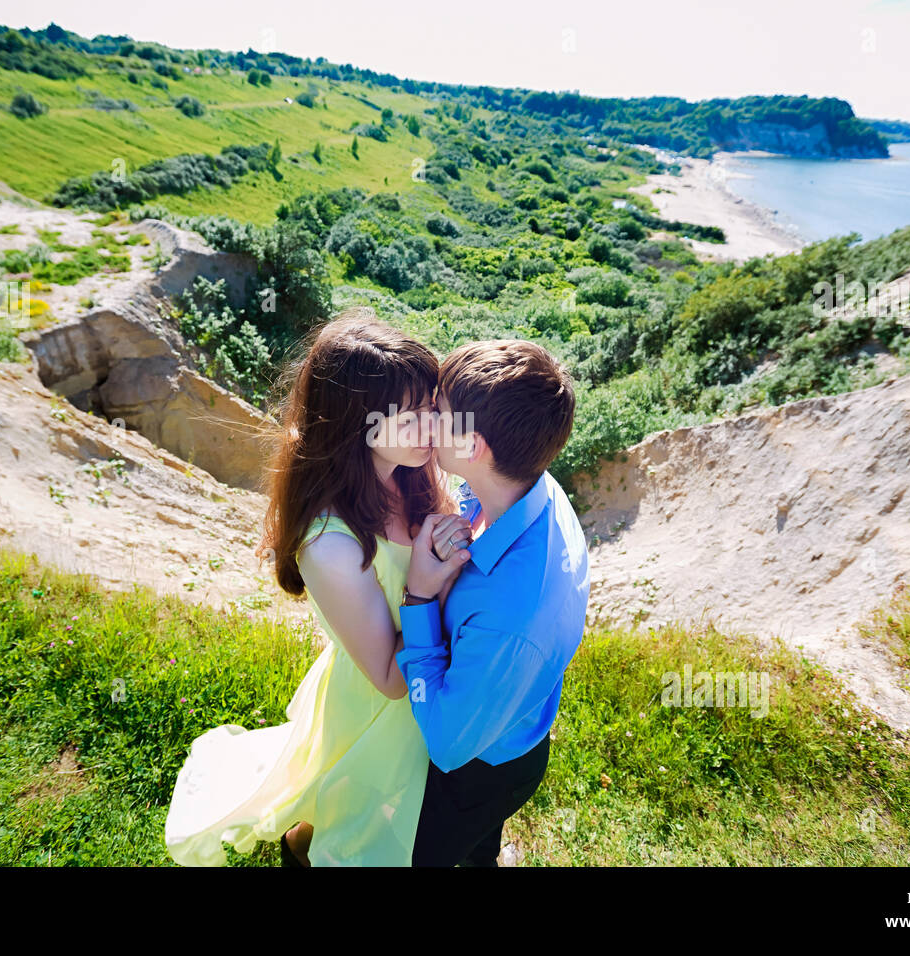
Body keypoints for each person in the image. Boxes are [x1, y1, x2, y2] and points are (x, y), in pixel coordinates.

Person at [162, 310, 471, 867]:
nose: (432, 428)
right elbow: (388, 681)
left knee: (353, 802)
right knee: (361, 819)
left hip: (427, 681)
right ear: (358, 425)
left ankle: (303, 839)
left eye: (432, 407)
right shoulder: (331, 544)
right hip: (381, 703)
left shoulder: (409, 472)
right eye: (411, 416)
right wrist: (429, 586)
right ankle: (301, 850)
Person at [395, 338, 591, 867]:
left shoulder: (510, 610)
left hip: (478, 771)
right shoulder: (535, 487)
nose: (426, 418)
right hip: (515, 736)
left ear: (475, 446)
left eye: (438, 411)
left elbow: (445, 741)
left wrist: (418, 597)